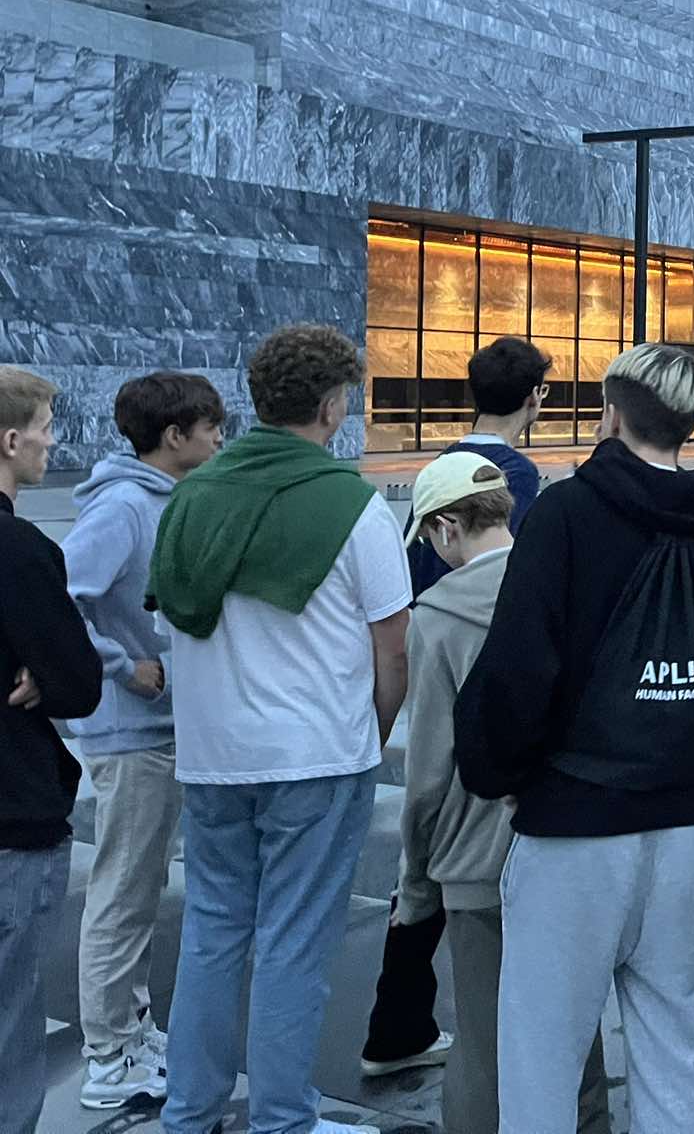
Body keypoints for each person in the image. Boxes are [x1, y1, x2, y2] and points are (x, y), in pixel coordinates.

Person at [454, 343, 694, 1134]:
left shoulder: (564, 518)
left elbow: (515, 673)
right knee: (673, 1043)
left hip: (571, 829)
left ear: (611, 414)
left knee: (541, 1057)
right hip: (685, 830)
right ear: (691, 424)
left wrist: (501, 772)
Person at [151, 325, 414, 1134]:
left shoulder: (191, 495)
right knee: (295, 945)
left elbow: (168, 617)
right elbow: (393, 647)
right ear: (333, 405)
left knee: (212, 933)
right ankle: (281, 1119)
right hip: (316, 754)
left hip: (211, 756)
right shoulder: (353, 505)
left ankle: (189, 1114)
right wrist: (371, 735)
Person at [394, 453, 612, 1134]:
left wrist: (417, 882)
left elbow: (429, 771)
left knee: (485, 1045)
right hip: (568, 838)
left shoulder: (437, 617)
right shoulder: (570, 587)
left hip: (475, 856)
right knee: (577, 1034)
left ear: (447, 526)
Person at [64, 373, 225, 1109]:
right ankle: (109, 1058)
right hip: (130, 731)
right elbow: (63, 596)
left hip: (155, 727)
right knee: (125, 891)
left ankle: (129, 1032)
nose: (219, 436)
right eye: (210, 425)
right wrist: (125, 667)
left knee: (139, 884)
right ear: (173, 436)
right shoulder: (125, 506)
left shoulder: (160, 498)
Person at [0, 368, 103, 1134]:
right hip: (13, 813)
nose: (51, 441)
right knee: (9, 1021)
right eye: (43, 427)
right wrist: (45, 670)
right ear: (10, 441)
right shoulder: (22, 551)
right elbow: (77, 682)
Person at [408, 336, 552, 597]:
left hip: (428, 606)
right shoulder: (518, 472)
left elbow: (412, 555)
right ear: (534, 396)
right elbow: (505, 564)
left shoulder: (442, 463)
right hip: (474, 611)